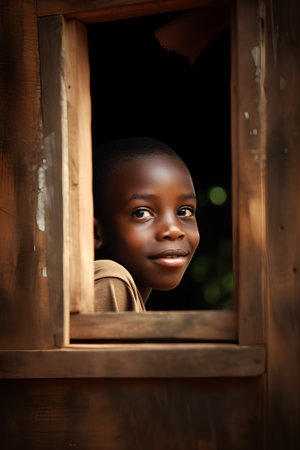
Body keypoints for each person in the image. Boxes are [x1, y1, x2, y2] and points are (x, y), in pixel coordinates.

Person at [93, 137, 199, 312]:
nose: (173, 230)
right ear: (96, 232)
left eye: (184, 211)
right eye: (141, 213)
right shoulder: (109, 279)